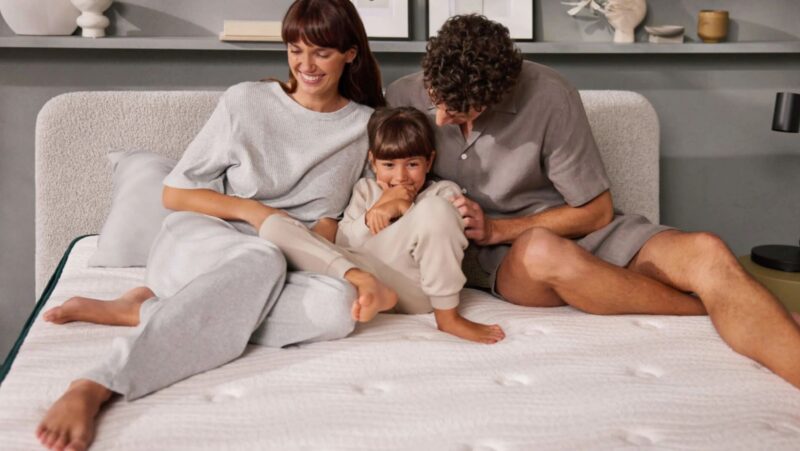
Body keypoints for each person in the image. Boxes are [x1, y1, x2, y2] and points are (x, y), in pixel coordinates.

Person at [35, 1, 394, 450]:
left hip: (283, 261)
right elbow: (174, 193)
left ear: (350, 54)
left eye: (321, 52)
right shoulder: (247, 101)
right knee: (260, 257)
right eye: (295, 49)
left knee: (338, 309)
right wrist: (253, 212)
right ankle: (95, 383)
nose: (305, 64)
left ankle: (145, 310)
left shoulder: (365, 127)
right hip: (203, 241)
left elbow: (337, 217)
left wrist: (318, 254)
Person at [386, 14, 800, 388]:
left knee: (707, 251)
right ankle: (709, 309)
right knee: (544, 250)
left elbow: (597, 211)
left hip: (570, 229)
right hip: (502, 259)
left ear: (498, 93)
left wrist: (499, 227)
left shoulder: (549, 94)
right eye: (436, 100)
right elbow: (387, 190)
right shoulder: (402, 96)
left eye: (460, 111)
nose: (439, 119)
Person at [260, 107, 506, 344]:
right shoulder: (365, 190)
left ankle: (448, 317)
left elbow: (442, 247)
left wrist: (403, 207)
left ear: (429, 162)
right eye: (389, 165)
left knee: (438, 210)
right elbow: (345, 245)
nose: (400, 177)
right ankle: (368, 286)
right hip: (360, 275)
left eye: (412, 164)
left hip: (413, 288)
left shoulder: (442, 192)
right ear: (373, 162)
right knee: (274, 226)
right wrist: (375, 212)